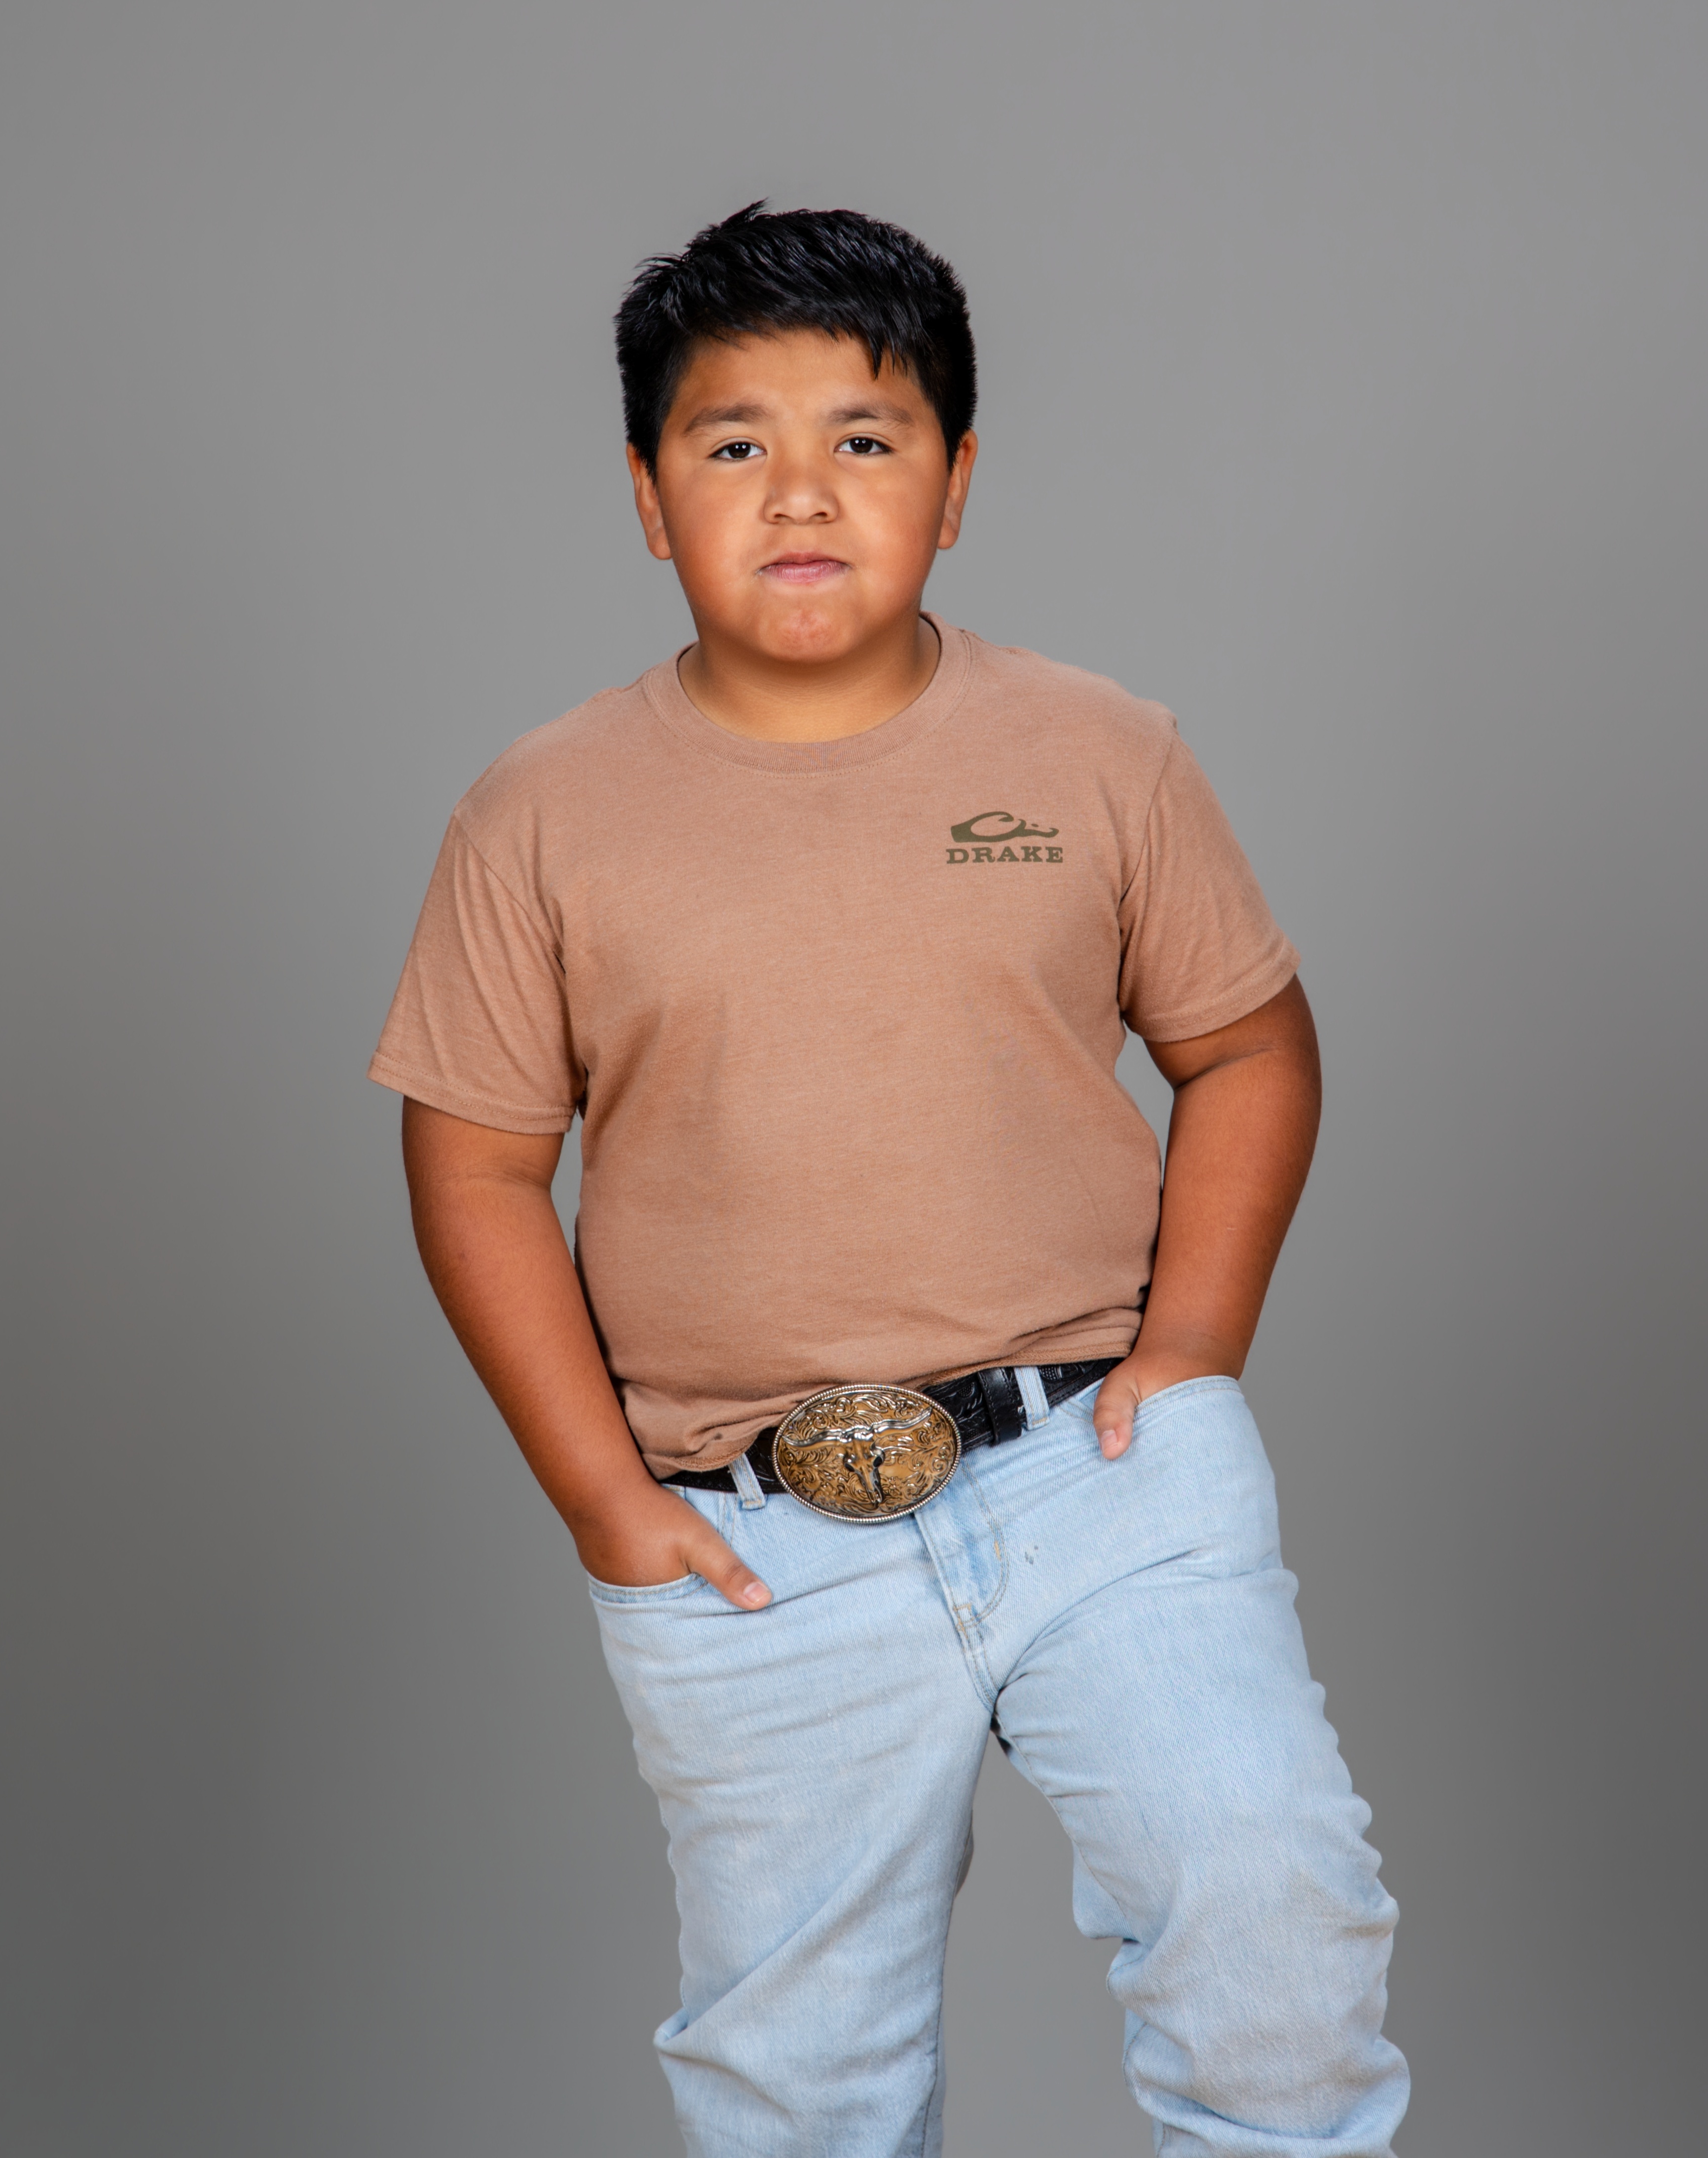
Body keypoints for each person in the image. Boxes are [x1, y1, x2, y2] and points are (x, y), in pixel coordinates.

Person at [369, 202, 1410, 2158]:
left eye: (864, 437)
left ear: (954, 483)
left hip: (1099, 1466)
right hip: (748, 1528)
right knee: (799, 2081)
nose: (800, 491)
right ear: (645, 496)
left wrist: (1189, 1352)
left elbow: (1248, 1048)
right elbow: (478, 1168)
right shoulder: (538, 816)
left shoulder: (1097, 752)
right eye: (730, 442)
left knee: (1273, 1918)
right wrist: (603, 1500)